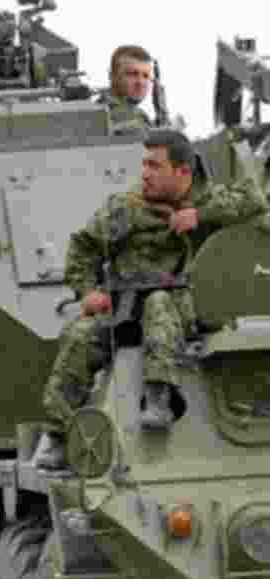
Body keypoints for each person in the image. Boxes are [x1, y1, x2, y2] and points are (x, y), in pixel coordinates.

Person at [34, 130, 268, 470]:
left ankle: (158, 397)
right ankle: (57, 435)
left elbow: (254, 200)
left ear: (183, 172)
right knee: (80, 334)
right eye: (143, 164)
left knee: (159, 302)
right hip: (126, 310)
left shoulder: (210, 201)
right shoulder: (126, 209)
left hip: (184, 309)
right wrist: (86, 292)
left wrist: (200, 217)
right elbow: (83, 246)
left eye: (154, 166)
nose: (145, 173)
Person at [100, 45, 154, 135]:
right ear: (112, 75)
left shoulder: (137, 114)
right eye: (132, 74)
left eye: (146, 76)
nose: (140, 82)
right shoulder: (110, 114)